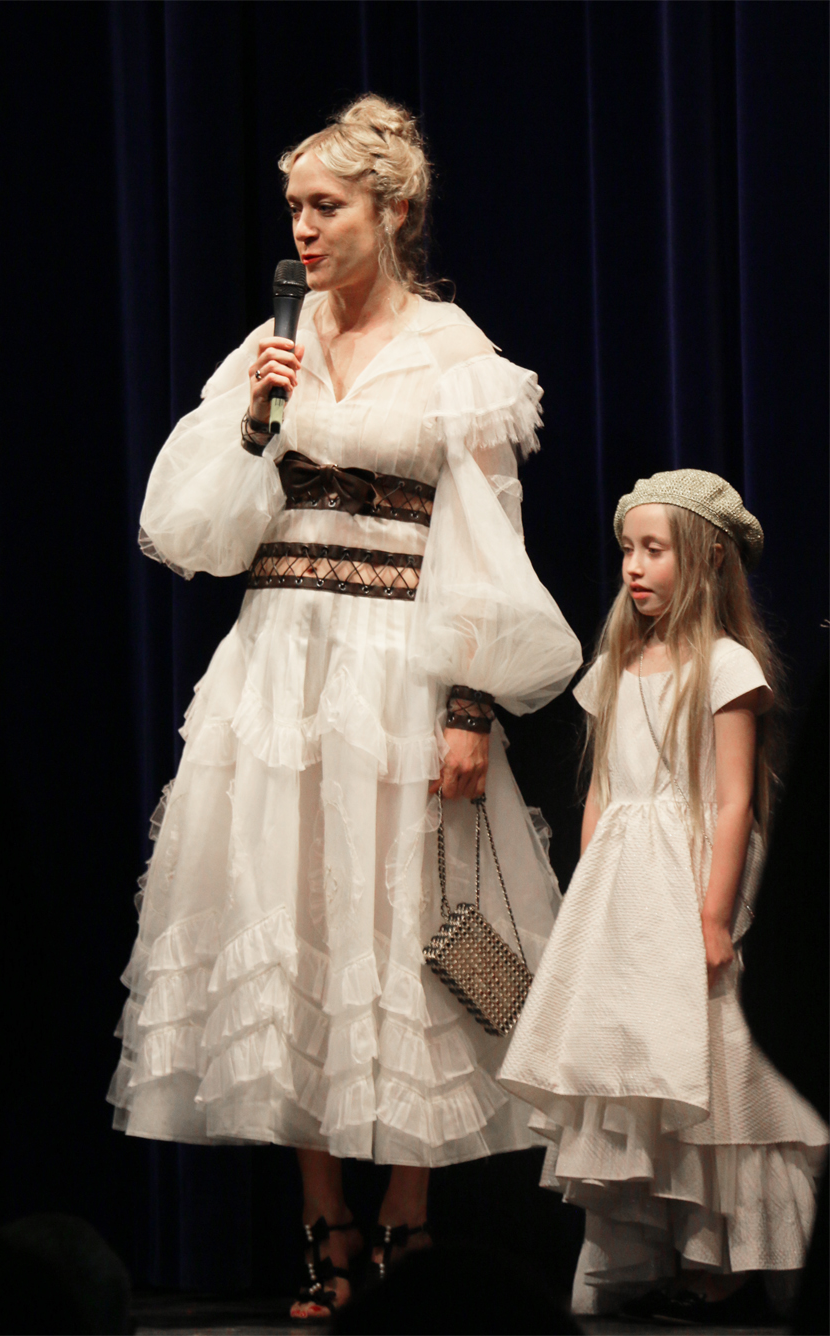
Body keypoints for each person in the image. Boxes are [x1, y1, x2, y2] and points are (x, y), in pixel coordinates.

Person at [108, 94, 581, 1319]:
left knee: (402, 938)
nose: (306, 232)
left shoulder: (454, 360)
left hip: (397, 666)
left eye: (327, 208)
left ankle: (407, 1233)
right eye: (295, 212)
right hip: (279, 663)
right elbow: (198, 534)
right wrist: (256, 419)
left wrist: (470, 702)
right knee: (293, 923)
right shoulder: (271, 346)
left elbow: (488, 547)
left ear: (393, 211)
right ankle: (325, 1231)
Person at [499, 470, 830, 1321]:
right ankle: (642, 1251)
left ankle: (725, 1259)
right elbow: (604, 791)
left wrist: (716, 915)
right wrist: (586, 897)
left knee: (712, 1062)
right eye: (627, 552)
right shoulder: (617, 661)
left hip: (689, 875)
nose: (634, 569)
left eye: (655, 551)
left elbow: (731, 799)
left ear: (707, 559)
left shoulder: (725, 664)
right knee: (631, 1062)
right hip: (624, 886)